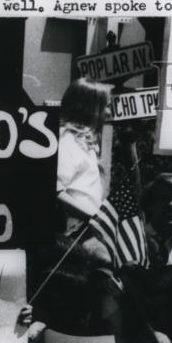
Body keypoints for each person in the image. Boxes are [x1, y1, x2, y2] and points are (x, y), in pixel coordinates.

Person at [57, 77, 113, 235]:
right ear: (89, 108)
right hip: (71, 232)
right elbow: (56, 191)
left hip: (83, 227)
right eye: (106, 106)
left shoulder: (82, 142)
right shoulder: (66, 142)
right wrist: (95, 218)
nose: (108, 112)